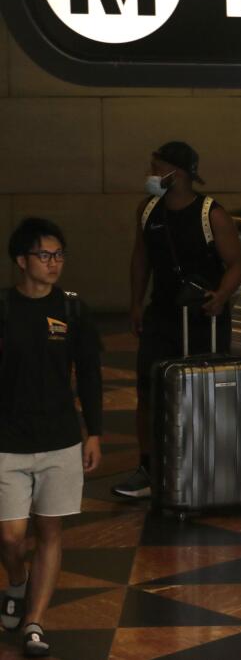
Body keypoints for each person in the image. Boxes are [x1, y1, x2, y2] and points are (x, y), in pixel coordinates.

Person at [113, 141, 241, 499]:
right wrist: (136, 304)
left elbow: (236, 264)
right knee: (148, 387)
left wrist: (220, 297)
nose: (152, 175)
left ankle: (207, 464)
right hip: (163, 314)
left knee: (204, 390)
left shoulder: (211, 214)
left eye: (158, 168)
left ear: (179, 173)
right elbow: (140, 259)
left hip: (203, 316)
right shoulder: (148, 211)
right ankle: (148, 466)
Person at [0, 218, 102, 658]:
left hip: (60, 439)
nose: (53, 263)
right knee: (10, 536)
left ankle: (34, 622)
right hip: (8, 439)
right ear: (21, 261)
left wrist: (94, 432)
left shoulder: (73, 310)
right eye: (44, 255)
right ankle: (17, 582)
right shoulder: (3, 310)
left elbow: (91, 375)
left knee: (50, 530)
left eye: (59, 255)